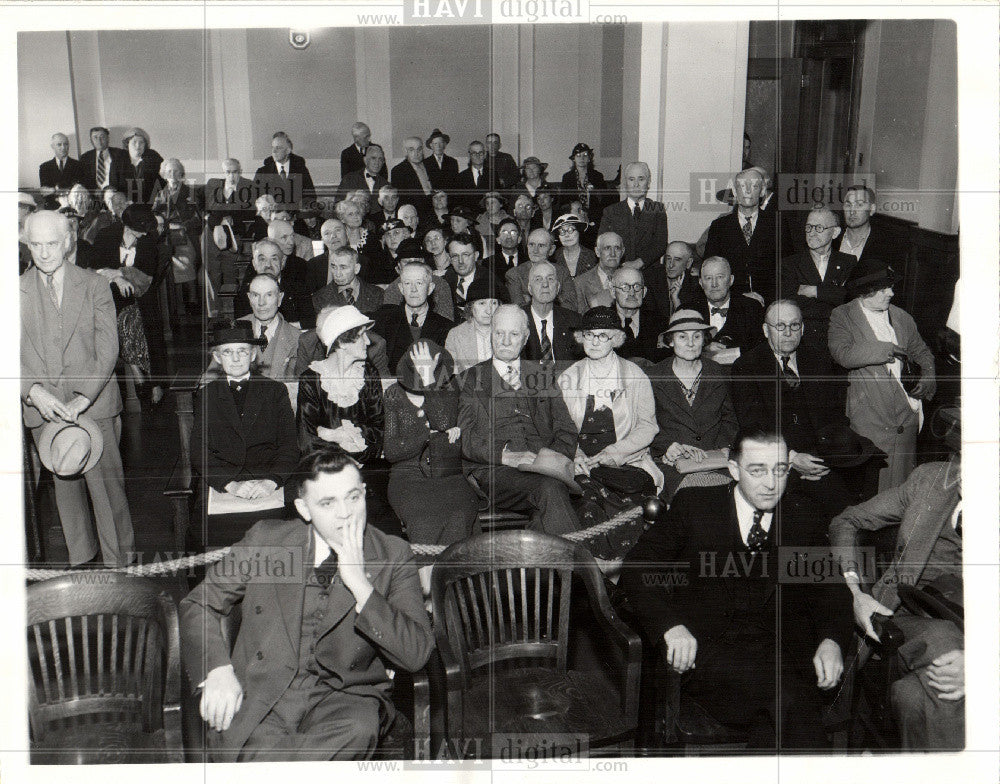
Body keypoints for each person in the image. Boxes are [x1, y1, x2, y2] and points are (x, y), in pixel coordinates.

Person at [178, 448, 433, 761]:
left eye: (353, 497)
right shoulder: (267, 542)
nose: (346, 513)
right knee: (260, 750)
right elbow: (198, 602)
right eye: (328, 503)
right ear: (304, 508)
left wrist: (361, 586)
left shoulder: (393, 554)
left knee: (356, 728)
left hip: (343, 700)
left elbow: (417, 652)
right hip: (265, 692)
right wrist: (216, 669)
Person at [620, 431, 853, 750]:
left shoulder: (802, 515)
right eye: (757, 470)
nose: (771, 483)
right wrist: (670, 627)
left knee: (778, 714)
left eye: (780, 470)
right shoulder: (696, 506)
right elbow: (638, 566)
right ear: (733, 470)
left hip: (783, 652)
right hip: (711, 655)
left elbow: (831, 590)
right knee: (791, 700)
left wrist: (831, 640)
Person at [21, 211, 134, 567]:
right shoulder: (12, 292)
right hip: (44, 408)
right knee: (66, 495)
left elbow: (108, 348)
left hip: (94, 405)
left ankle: (122, 571)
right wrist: (34, 393)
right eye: (35, 245)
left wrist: (85, 397)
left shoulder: (96, 285)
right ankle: (82, 568)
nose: (44, 253)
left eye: (51, 244)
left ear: (68, 241)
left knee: (107, 493)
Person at [830, 456, 963, 750]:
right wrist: (855, 592)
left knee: (910, 697)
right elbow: (846, 520)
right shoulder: (931, 478)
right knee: (944, 640)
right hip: (907, 617)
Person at [732, 299, 866, 517]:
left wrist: (826, 460)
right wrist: (793, 459)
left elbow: (835, 417)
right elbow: (753, 427)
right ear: (766, 330)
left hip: (819, 462)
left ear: (802, 329)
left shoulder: (819, 361)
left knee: (848, 515)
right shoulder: (747, 366)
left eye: (794, 325)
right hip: (775, 464)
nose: (788, 332)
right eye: (780, 326)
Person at [457, 304, 582, 536]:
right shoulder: (468, 379)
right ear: (490, 335)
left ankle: (543, 567)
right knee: (550, 489)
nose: (505, 341)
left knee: (547, 507)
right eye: (499, 333)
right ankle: (585, 570)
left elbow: (566, 428)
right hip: (495, 472)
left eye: (513, 334)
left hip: (545, 468)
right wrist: (505, 456)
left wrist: (551, 459)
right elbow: (465, 439)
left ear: (525, 339)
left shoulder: (542, 375)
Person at [828, 258, 936, 490]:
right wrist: (888, 348)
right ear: (865, 292)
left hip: (907, 417)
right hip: (870, 421)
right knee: (872, 491)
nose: (891, 293)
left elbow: (922, 351)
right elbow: (843, 354)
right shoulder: (842, 316)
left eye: (891, 287)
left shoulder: (902, 317)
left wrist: (928, 375)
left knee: (903, 491)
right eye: (883, 288)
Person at [296, 306, 402, 537]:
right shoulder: (311, 379)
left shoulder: (368, 374)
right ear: (343, 343)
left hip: (366, 468)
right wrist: (340, 450)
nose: (367, 341)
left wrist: (334, 434)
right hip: (325, 471)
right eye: (361, 335)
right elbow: (306, 440)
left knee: (382, 525)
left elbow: (377, 430)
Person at [191, 320, 298, 514]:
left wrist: (272, 481)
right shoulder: (207, 395)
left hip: (269, 481)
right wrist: (229, 484)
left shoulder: (275, 391)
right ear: (217, 357)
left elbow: (289, 445)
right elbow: (199, 451)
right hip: (227, 482)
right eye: (227, 352)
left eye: (242, 351)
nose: (236, 358)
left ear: (253, 354)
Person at [559, 305, 663, 499]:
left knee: (628, 498)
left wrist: (615, 453)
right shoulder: (569, 377)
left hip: (625, 462)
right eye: (589, 335)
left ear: (615, 339)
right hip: (580, 465)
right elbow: (560, 427)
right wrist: (576, 453)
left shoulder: (634, 375)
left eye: (603, 335)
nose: (595, 342)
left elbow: (647, 426)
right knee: (584, 499)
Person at [383, 341, 480, 545]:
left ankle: (454, 576)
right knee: (424, 520)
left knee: (460, 515)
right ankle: (428, 575)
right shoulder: (394, 394)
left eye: (428, 366)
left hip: (447, 475)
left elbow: (443, 423)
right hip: (408, 478)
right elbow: (392, 451)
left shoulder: (449, 389)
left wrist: (428, 380)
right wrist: (429, 435)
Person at [648, 309, 738, 499]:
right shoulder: (654, 376)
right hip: (672, 461)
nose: (690, 343)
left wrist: (724, 447)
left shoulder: (716, 372)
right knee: (694, 500)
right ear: (670, 341)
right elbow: (645, 422)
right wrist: (667, 446)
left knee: (731, 499)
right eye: (682, 337)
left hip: (713, 459)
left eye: (696, 336)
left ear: (704, 340)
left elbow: (729, 417)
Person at [90, 203, 169, 405]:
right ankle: (138, 373)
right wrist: (117, 279)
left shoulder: (148, 241)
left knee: (142, 323)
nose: (143, 235)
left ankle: (151, 380)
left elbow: (147, 277)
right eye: (138, 231)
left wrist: (120, 272)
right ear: (126, 226)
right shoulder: (106, 236)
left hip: (141, 295)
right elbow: (95, 269)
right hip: (109, 295)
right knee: (122, 321)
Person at [780, 206, 857, 353]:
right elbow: (790, 304)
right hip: (804, 341)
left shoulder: (849, 262)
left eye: (819, 228)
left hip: (842, 340)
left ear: (835, 232)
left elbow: (851, 300)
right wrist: (833, 296)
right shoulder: (789, 264)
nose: (812, 233)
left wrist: (815, 291)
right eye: (809, 227)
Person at [204, 273, 301, 382]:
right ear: (249, 298)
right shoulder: (233, 330)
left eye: (269, 295)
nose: (261, 303)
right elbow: (209, 379)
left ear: (279, 298)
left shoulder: (297, 338)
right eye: (256, 295)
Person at [703, 167, 780, 302]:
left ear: (762, 191)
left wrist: (764, 297)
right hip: (729, 302)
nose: (748, 190)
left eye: (754, 186)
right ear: (734, 190)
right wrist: (737, 297)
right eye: (742, 186)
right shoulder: (719, 227)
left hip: (768, 303)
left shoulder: (778, 225)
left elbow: (785, 270)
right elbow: (710, 270)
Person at [372, 261, 453, 369]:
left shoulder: (446, 327)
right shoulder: (383, 322)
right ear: (401, 288)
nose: (413, 289)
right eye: (407, 283)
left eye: (419, 283)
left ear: (430, 288)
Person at [234, 222, 315, 328]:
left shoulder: (298, 289)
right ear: (254, 264)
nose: (268, 265)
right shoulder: (245, 294)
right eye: (262, 259)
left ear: (282, 263)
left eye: (274, 259)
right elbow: (243, 326)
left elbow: (309, 321)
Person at [690, 256, 765, 362]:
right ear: (701, 283)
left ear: (731, 280)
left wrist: (735, 352)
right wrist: (702, 349)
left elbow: (762, 348)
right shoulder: (689, 311)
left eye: (720, 277)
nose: (714, 284)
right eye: (708, 278)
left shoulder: (751, 308)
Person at [598, 162, 669, 269]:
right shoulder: (611, 211)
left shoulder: (657, 209)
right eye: (631, 179)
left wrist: (640, 262)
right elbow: (603, 244)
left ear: (648, 183)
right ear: (625, 183)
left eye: (641, 179)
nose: (636, 184)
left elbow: (660, 244)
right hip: (618, 271)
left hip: (649, 273)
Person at [522, 259, 583, 369]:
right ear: (530, 289)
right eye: (538, 279)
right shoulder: (518, 320)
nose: (545, 284)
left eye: (550, 279)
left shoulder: (574, 321)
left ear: (558, 287)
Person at [506, 228, 578, 312]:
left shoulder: (562, 273)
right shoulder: (514, 274)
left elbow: (570, 309)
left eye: (541, 245)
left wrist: (530, 300)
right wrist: (557, 299)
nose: (535, 250)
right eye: (531, 244)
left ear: (551, 250)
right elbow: (519, 311)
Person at [445, 275, 505, 373]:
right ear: (471, 307)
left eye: (493, 303)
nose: (489, 311)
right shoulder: (455, 335)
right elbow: (450, 374)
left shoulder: (508, 332)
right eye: (482, 303)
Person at [610, 267, 664, 363]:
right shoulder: (602, 325)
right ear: (613, 292)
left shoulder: (659, 323)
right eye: (625, 287)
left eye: (637, 287)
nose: (632, 293)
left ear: (644, 292)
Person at [312, 246, 385, 317]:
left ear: (356, 269)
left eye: (343, 267)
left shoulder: (377, 294)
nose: (337, 274)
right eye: (333, 267)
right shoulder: (319, 299)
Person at [839, 185, 901, 267]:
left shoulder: (886, 246)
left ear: (871, 209)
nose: (852, 211)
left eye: (859, 205)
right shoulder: (832, 239)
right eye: (848, 205)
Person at [254, 131, 316, 211]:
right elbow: (256, 200)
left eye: (278, 148)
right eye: (272, 147)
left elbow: (310, 196)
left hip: (297, 218)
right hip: (272, 219)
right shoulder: (263, 172)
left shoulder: (300, 170)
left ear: (288, 151)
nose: (274, 151)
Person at [645, 240, 702, 320]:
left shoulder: (696, 285)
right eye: (668, 258)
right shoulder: (651, 279)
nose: (671, 265)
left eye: (677, 259)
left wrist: (676, 301)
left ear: (688, 263)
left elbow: (691, 323)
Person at [573, 231, 624, 313]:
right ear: (597, 252)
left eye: (617, 248)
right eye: (607, 248)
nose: (613, 254)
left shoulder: (631, 280)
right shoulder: (580, 283)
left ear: (622, 252)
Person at [560, 142, 610, 223]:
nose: (582, 158)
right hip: (574, 218)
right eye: (578, 155)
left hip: (594, 218)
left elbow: (604, 201)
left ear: (589, 158)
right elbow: (563, 203)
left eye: (585, 155)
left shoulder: (597, 176)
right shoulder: (567, 177)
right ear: (573, 159)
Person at [337, 143, 389, 209]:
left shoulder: (385, 184)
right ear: (365, 160)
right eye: (373, 158)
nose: (377, 162)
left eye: (380, 159)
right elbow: (338, 205)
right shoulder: (349, 179)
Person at [79, 126, 130, 193]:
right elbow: (83, 180)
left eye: (102, 137)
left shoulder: (121, 154)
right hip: (94, 197)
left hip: (115, 195)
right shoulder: (85, 158)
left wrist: (113, 189)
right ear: (91, 140)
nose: (99, 140)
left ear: (108, 138)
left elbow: (125, 178)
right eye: (95, 137)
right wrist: (94, 190)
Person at [121, 127, 164, 204]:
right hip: (126, 204)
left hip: (151, 203)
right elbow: (114, 185)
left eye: (141, 142)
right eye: (134, 142)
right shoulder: (120, 160)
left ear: (145, 145)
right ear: (127, 144)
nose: (138, 146)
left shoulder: (153, 157)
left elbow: (162, 181)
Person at [390, 136, 433, 211]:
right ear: (405, 151)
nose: (416, 153)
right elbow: (401, 201)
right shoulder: (398, 171)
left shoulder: (430, 166)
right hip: (414, 215)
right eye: (411, 150)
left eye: (419, 149)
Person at [551, 213, 597, 278]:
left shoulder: (591, 256)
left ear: (578, 231)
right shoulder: (553, 258)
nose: (567, 235)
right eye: (562, 231)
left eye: (570, 230)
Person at [454, 140, 494, 210]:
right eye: (474, 153)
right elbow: (457, 202)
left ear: (485, 155)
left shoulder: (493, 175)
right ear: (469, 155)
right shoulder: (461, 177)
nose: (477, 156)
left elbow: (498, 200)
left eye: (480, 153)